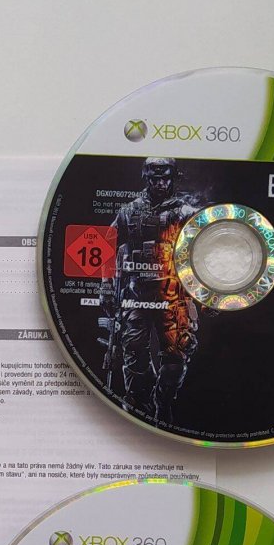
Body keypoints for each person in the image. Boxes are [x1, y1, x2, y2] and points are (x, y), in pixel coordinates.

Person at [101, 157, 201, 423]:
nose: (160, 183)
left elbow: (203, 255)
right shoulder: (129, 212)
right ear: (146, 178)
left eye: (165, 178)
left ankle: (163, 402)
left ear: (172, 178)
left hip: (174, 296)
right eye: (155, 179)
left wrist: (204, 297)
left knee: (177, 356)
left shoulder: (185, 212)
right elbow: (107, 245)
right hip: (136, 297)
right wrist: (106, 285)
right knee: (134, 353)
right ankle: (141, 404)